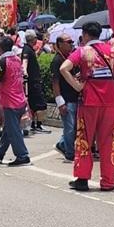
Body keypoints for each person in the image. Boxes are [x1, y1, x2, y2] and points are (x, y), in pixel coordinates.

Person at [59, 21, 114, 191]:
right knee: (108, 142)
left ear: (85, 34)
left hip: (89, 101)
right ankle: (108, 181)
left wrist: (77, 86)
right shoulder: (112, 51)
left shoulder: (82, 52)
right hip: (111, 102)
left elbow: (64, 68)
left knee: (84, 140)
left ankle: (82, 179)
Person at [0, 36, 31, 166]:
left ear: (0, 48)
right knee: (9, 128)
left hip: (10, 100)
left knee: (13, 131)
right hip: (20, 98)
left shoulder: (2, 62)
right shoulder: (17, 59)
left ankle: (22, 155)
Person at [51, 33, 78, 161]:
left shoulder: (69, 58)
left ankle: (63, 144)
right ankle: (69, 153)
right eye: (68, 42)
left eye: (71, 42)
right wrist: (59, 101)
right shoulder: (57, 60)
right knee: (70, 127)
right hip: (66, 98)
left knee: (74, 127)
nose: (71, 44)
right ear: (60, 44)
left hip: (74, 96)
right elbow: (55, 82)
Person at [22, 30, 49, 134]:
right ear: (32, 39)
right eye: (35, 38)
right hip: (33, 81)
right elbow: (25, 61)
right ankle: (39, 125)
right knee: (40, 103)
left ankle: (34, 124)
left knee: (33, 103)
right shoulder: (26, 50)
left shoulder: (29, 49)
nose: (36, 40)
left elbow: (32, 57)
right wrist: (24, 71)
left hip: (33, 80)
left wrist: (42, 46)